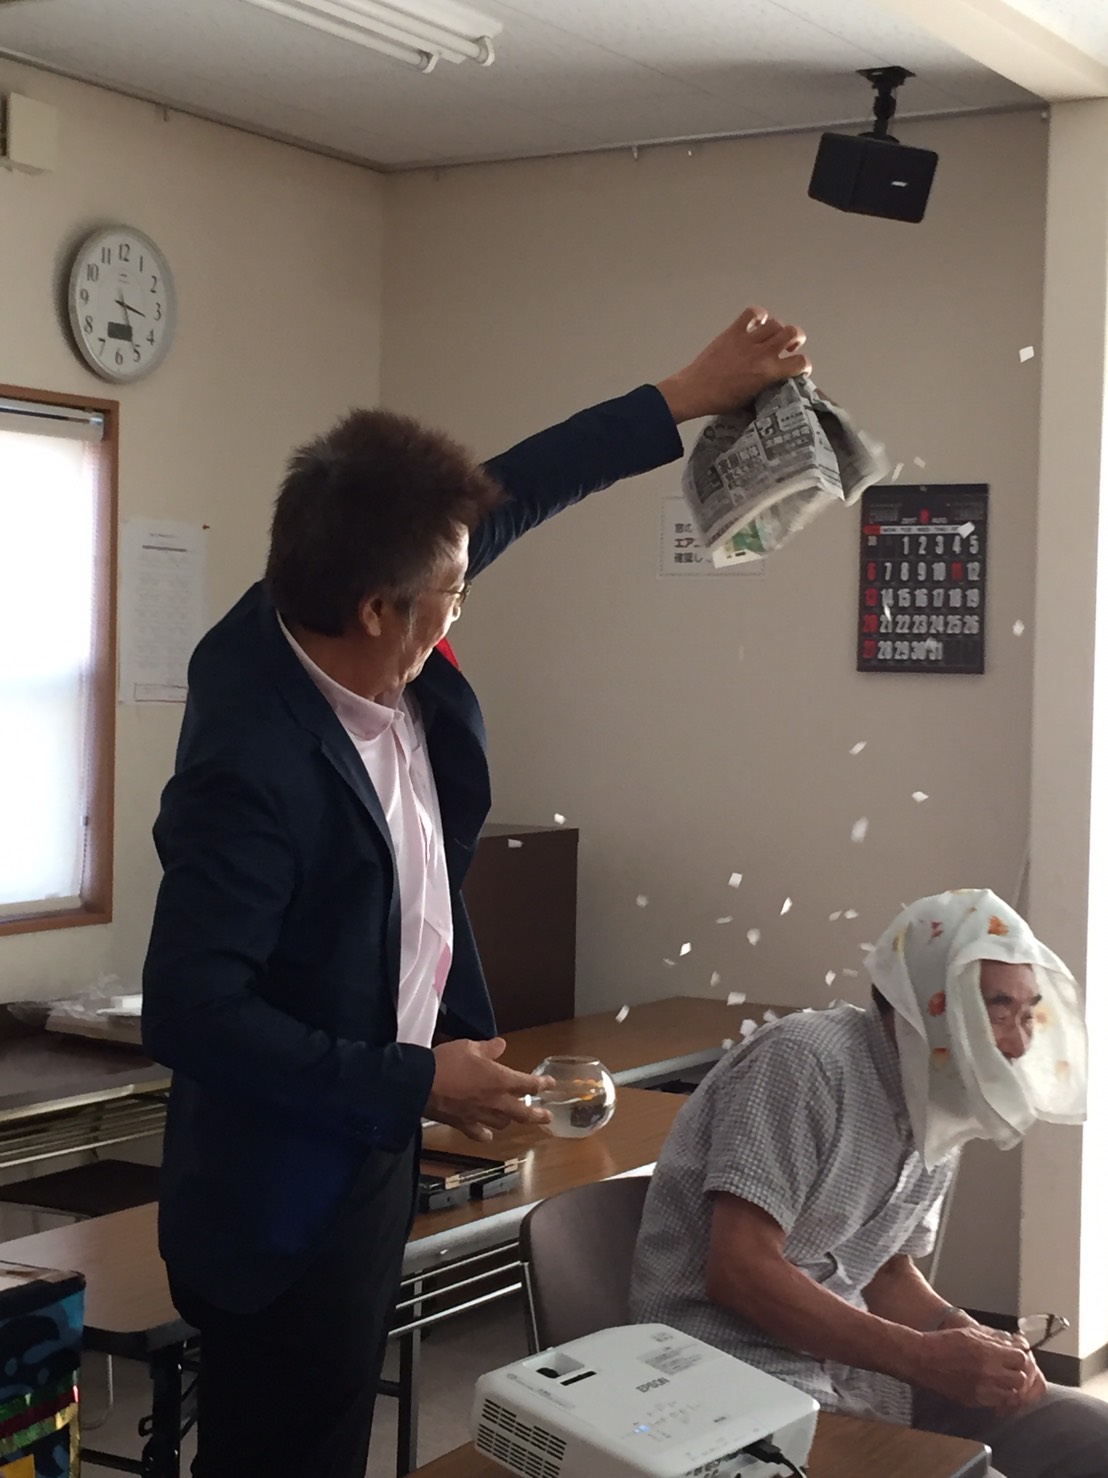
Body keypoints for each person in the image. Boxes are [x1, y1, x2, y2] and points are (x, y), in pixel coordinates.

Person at [141, 305, 811, 1478]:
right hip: (277, 1198)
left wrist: (689, 390)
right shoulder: (249, 759)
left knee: (334, 1440)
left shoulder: (367, 577)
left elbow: (526, 482)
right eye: (451, 594)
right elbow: (191, 1012)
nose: (464, 602)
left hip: (373, 1142)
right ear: (378, 610)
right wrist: (415, 1079)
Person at [631, 889, 1107, 1478]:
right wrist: (923, 1358)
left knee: (1094, 1434)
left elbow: (883, 1271)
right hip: (729, 1373)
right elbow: (741, 1271)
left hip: (853, 1369)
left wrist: (962, 1332)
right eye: (998, 1011)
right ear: (928, 1005)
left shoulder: (937, 1093)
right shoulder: (806, 1063)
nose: (1018, 1043)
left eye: (1028, 1014)